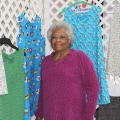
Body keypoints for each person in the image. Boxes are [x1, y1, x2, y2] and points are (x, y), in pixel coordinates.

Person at [35, 21, 100, 120]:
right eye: (54, 37)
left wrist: (88, 116)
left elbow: (93, 88)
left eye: (62, 37)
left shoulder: (80, 57)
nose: (57, 40)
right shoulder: (46, 62)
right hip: (50, 115)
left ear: (69, 40)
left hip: (74, 116)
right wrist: (39, 114)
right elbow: (43, 91)